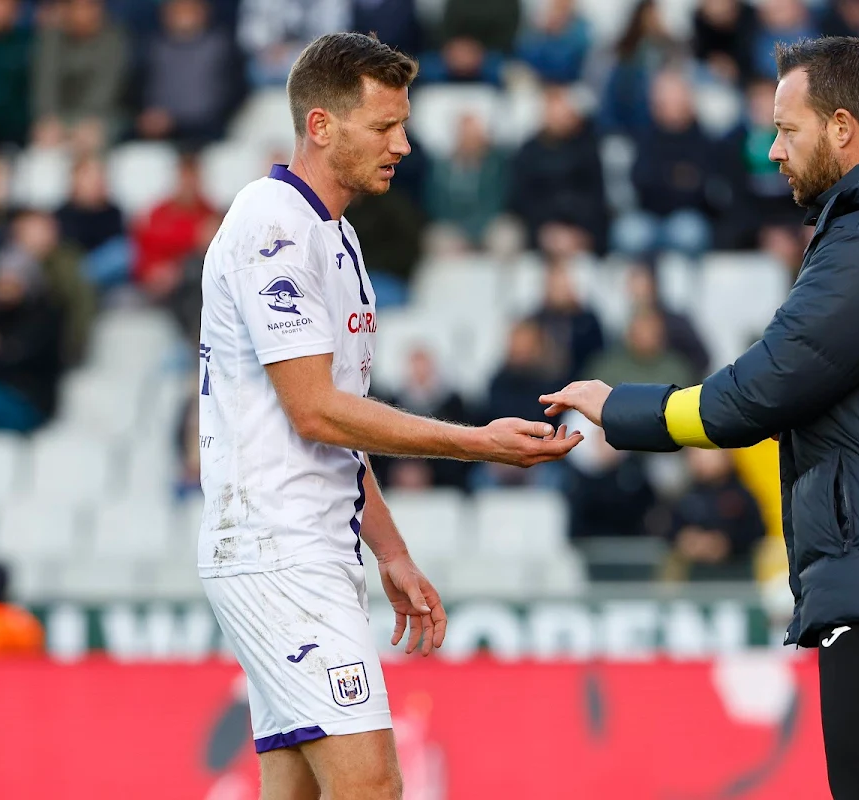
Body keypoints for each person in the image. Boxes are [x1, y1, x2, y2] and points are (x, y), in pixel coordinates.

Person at [540, 36, 859, 800]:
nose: (772, 150)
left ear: (841, 128)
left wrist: (621, 407)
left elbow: (758, 393)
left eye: (786, 128)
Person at [197, 33, 582, 800]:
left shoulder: (337, 235)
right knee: (371, 785)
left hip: (305, 546)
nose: (404, 144)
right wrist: (478, 445)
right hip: (278, 549)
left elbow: (338, 429)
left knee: (297, 789)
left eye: (403, 124)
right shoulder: (274, 228)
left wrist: (393, 553)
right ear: (320, 126)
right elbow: (316, 412)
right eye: (384, 127)